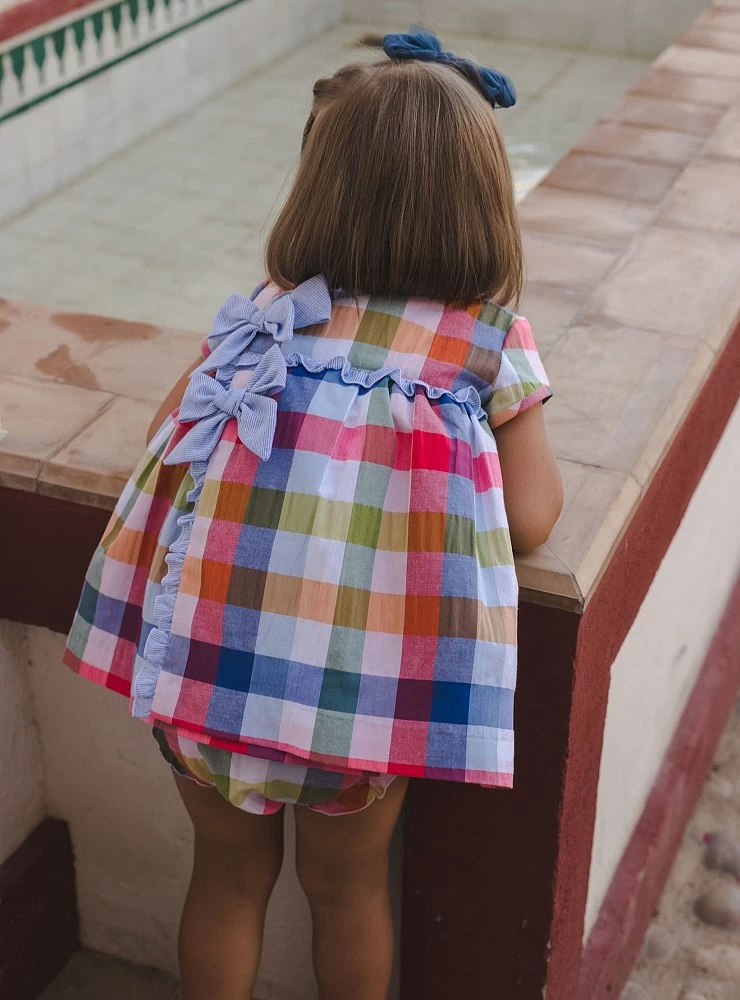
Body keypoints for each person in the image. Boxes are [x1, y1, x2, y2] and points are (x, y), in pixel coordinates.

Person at [64, 29, 563, 1000]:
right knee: (349, 895)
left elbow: (177, 429)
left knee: (226, 881)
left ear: (317, 187)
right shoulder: (487, 346)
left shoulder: (271, 311)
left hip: (210, 676)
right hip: (357, 705)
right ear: (482, 200)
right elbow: (533, 517)